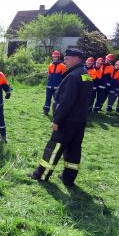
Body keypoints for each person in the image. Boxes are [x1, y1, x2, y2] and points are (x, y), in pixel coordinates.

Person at [30, 48, 92, 187]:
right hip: (80, 120)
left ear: (77, 59)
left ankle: (41, 174)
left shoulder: (72, 76)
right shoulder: (86, 75)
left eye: (68, 58)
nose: (65, 60)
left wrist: (57, 120)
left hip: (67, 121)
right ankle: (68, 178)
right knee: (74, 149)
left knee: (54, 147)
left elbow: (66, 102)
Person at [43, 51, 66, 115]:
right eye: (53, 57)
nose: (54, 58)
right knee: (47, 99)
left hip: (57, 87)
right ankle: (46, 111)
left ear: (58, 57)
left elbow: (64, 77)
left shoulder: (63, 66)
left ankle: (57, 112)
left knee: (57, 100)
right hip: (49, 85)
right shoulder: (50, 65)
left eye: (56, 57)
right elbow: (49, 75)